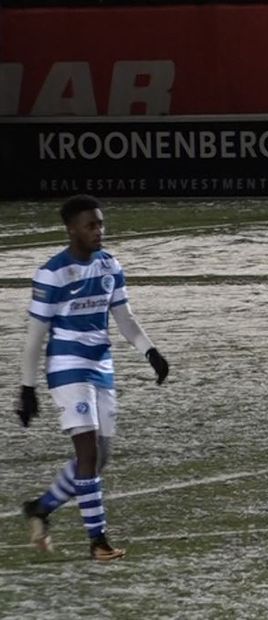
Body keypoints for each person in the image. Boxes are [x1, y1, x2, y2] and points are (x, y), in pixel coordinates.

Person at [16, 194, 170, 561]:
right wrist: (27, 388)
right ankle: (97, 541)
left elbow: (124, 317)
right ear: (72, 230)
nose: (98, 230)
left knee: (100, 457)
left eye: (100, 223)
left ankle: (40, 508)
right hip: (67, 368)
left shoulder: (109, 265)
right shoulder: (52, 273)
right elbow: (36, 335)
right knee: (86, 452)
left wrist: (150, 351)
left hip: (101, 366)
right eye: (91, 225)